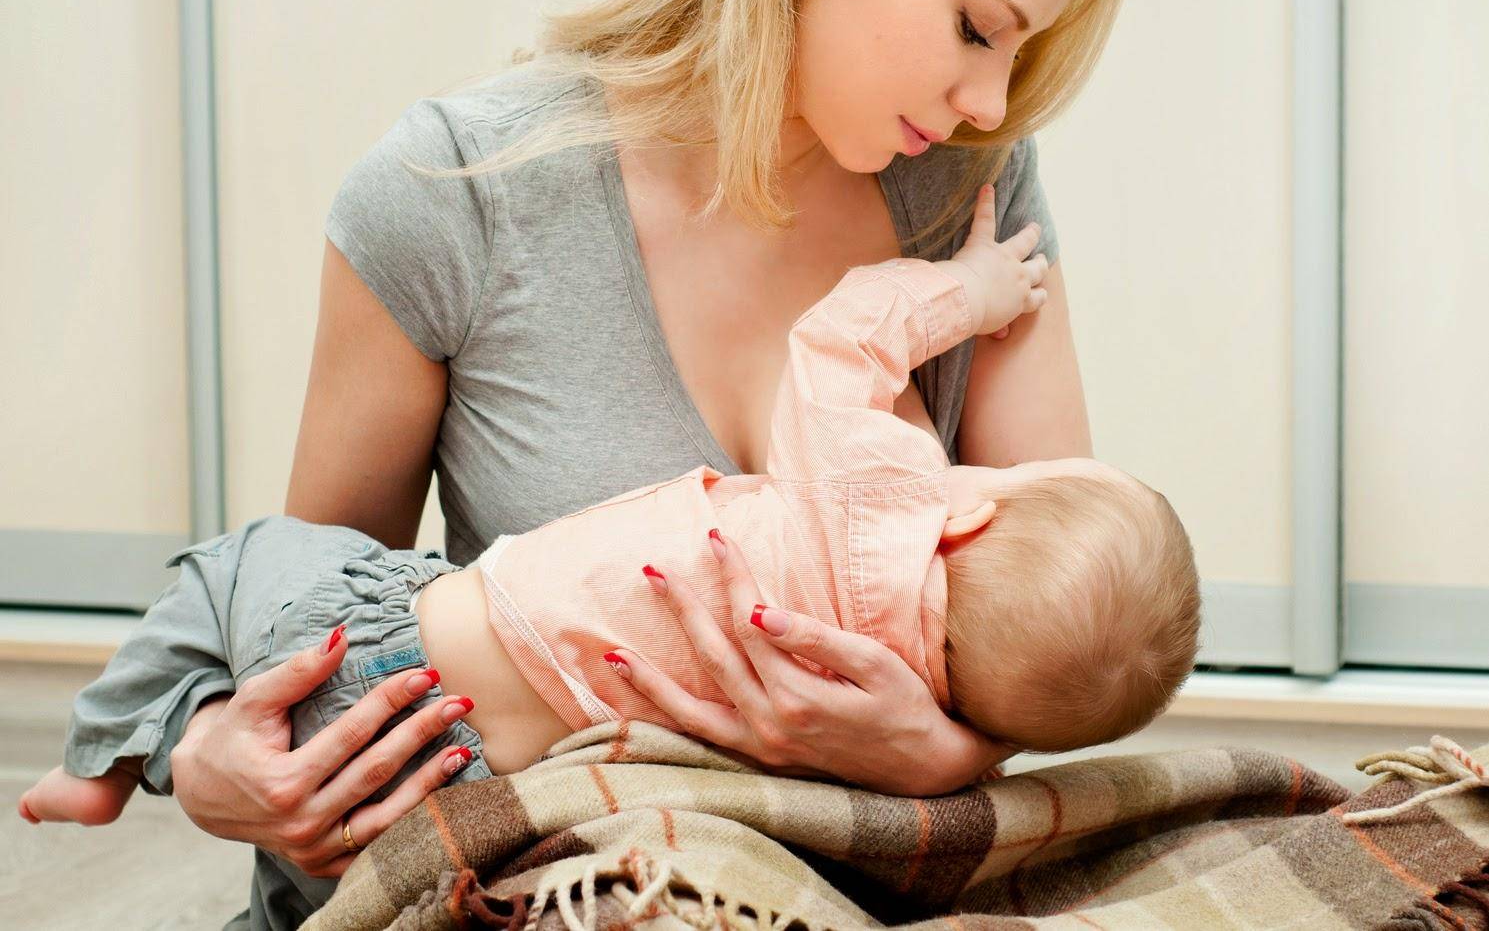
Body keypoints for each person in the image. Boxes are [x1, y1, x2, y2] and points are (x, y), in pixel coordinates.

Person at [139, 0, 1134, 929]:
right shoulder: (455, 191)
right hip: (545, 881)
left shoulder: (970, 188)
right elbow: (306, 610)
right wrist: (204, 751)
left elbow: (1062, 616)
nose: (991, 101)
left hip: (846, 880)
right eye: (977, 29)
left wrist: (943, 754)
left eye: (1021, 52)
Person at [21, 190, 1199, 849]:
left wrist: (971, 292)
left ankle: (105, 755)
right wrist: (957, 750)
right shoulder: (892, 688)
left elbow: (843, 338)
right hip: (471, 787)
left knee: (236, 568)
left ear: (973, 514)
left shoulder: (878, 501)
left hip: (380, 649)